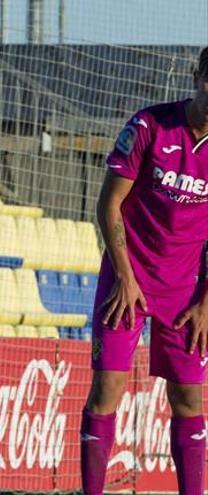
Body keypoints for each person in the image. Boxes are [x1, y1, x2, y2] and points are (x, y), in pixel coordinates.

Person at [81, 46, 208, 495]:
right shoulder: (149, 126)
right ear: (197, 77)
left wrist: (206, 304)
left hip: (186, 292)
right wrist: (126, 278)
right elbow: (108, 202)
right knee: (107, 391)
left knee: (190, 399)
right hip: (126, 280)